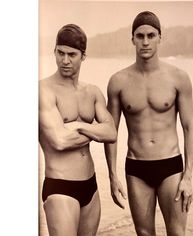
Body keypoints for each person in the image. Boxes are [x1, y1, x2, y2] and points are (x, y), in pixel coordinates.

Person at [104, 11, 193, 236]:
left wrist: (188, 176)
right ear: (132, 39)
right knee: (144, 234)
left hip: (171, 166)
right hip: (136, 168)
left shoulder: (178, 77)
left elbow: (189, 127)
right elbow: (110, 132)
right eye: (140, 36)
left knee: (177, 233)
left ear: (159, 37)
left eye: (151, 35)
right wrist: (112, 176)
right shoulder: (118, 82)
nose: (145, 41)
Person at [39, 24, 117, 236]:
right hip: (60, 187)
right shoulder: (43, 90)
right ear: (54, 51)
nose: (65, 60)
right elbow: (59, 141)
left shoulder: (92, 92)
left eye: (72, 55)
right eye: (60, 53)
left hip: (90, 187)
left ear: (83, 56)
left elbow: (112, 133)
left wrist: (79, 125)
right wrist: (95, 130)